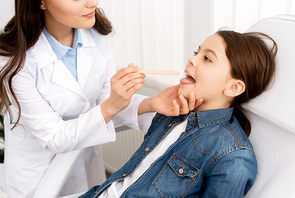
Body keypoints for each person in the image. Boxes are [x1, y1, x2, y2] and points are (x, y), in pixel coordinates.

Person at [0, 0, 202, 197]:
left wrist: (150, 103)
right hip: (38, 172)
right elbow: (56, 136)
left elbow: (107, 99)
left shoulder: (96, 33)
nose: (93, 3)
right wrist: (110, 105)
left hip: (85, 161)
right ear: (41, 3)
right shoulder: (15, 60)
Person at [79, 29, 277, 198]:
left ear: (233, 87)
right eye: (196, 53)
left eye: (207, 58)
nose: (191, 59)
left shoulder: (233, 157)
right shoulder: (171, 115)